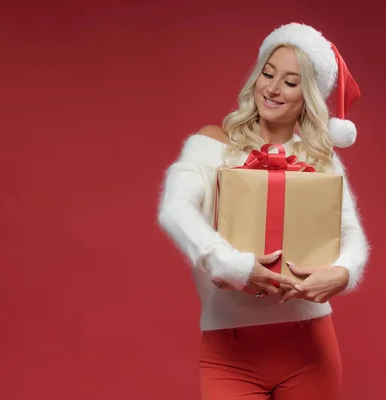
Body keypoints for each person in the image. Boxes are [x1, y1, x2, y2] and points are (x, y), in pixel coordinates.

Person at [158, 22, 369, 400]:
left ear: (308, 95)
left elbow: (351, 234)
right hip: (230, 351)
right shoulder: (211, 144)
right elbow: (174, 209)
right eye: (267, 74)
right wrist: (231, 264)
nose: (272, 88)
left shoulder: (320, 159)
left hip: (310, 350)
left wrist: (344, 272)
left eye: (290, 82)